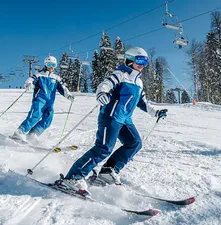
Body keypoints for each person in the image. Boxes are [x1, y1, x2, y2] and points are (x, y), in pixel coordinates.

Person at [61, 47, 167, 195]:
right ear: (130, 59)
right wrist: (102, 93)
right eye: (140, 60)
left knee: (134, 142)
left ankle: (108, 171)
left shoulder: (138, 82)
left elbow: (142, 102)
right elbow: (105, 85)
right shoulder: (121, 74)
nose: (143, 64)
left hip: (124, 119)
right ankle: (72, 178)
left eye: (145, 62)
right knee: (104, 148)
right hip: (110, 116)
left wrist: (156, 112)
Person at [11, 56, 75, 143]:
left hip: (49, 103)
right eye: (49, 64)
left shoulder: (56, 78)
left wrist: (69, 95)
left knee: (48, 119)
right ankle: (19, 133)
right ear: (45, 65)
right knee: (35, 116)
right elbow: (30, 80)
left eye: (54, 65)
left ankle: (33, 134)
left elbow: (62, 88)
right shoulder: (39, 75)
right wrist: (29, 84)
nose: (51, 67)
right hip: (39, 100)